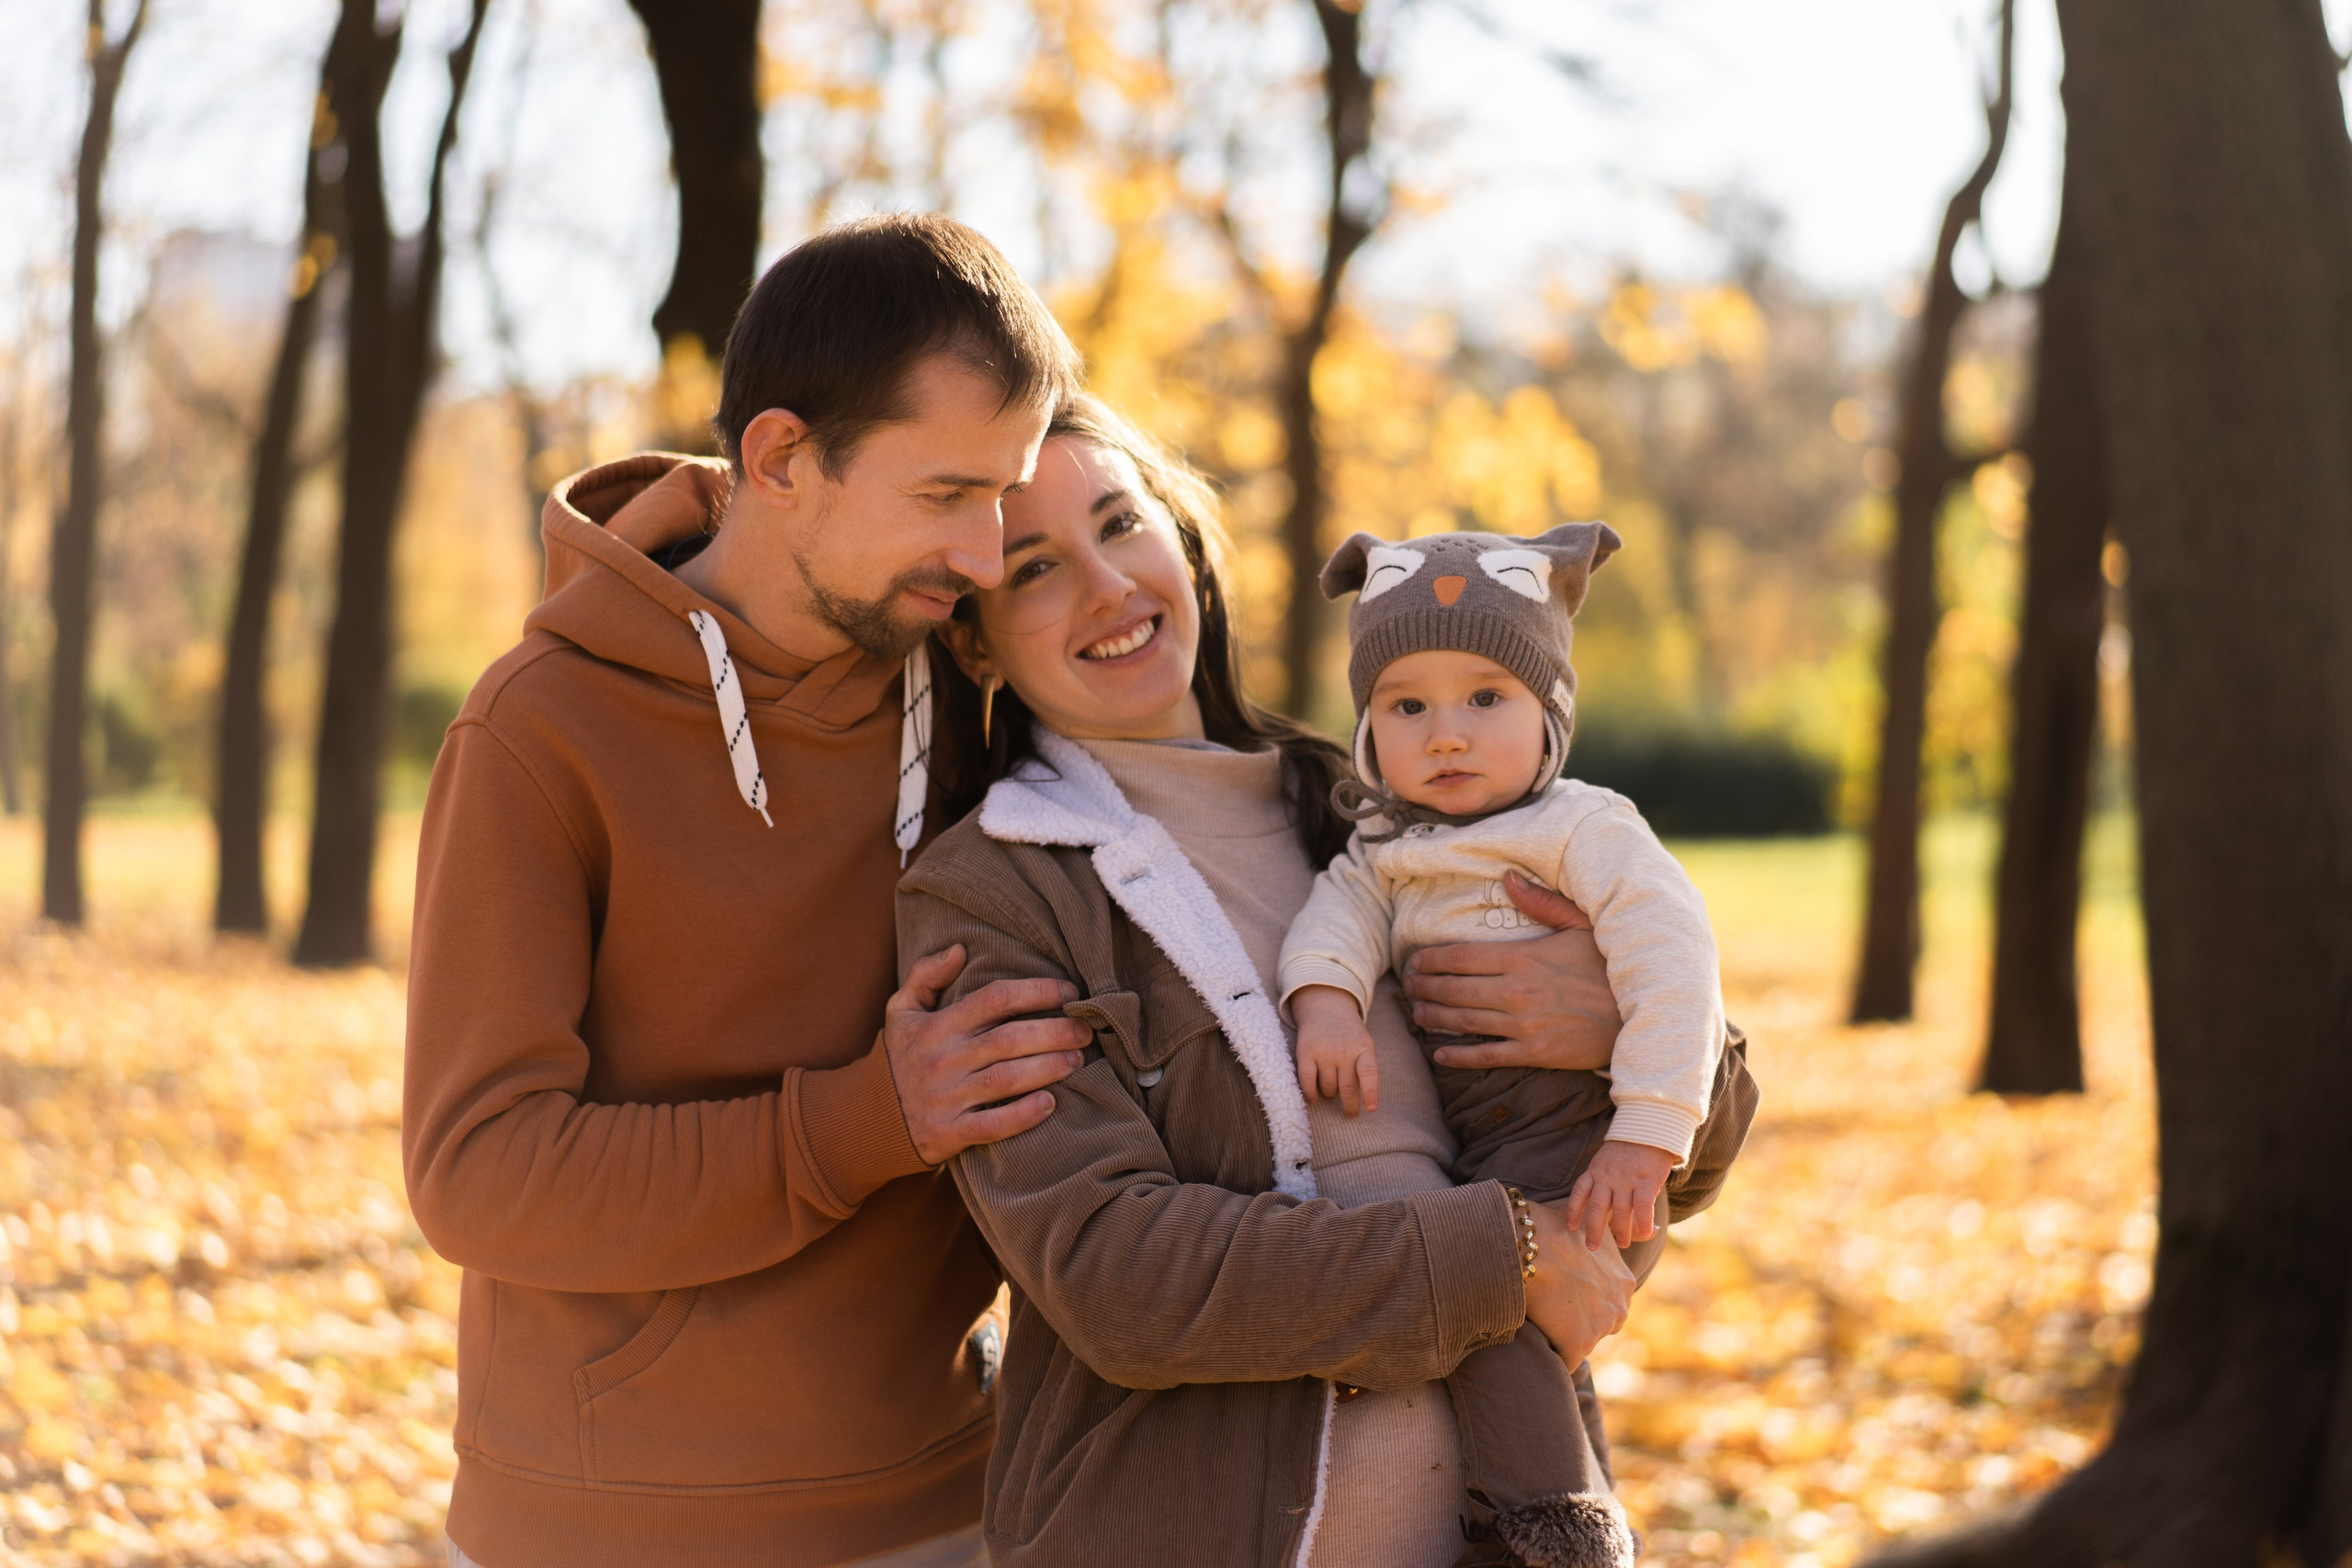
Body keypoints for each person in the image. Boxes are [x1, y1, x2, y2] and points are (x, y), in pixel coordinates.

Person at [897, 396, 1757, 1567]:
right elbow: (1115, 1276)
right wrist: (1495, 1258)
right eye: (1036, 566)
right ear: (976, 640)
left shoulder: (1372, 806)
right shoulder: (996, 893)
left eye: (1120, 523)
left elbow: (1677, 1161)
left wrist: (1623, 1035)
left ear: (1185, 542)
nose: (1107, 589)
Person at [402, 215, 1102, 1568]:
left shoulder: (975, 691)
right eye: (947, 493)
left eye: (1005, 495)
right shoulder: (540, 734)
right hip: (612, 1523)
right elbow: (477, 1172)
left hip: (956, 1500)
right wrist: (863, 1120)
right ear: (782, 458)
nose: (982, 552)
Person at [1278, 525, 1730, 1561]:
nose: (1446, 735)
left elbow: (1676, 967)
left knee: (1496, 1315)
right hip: (1482, 1144)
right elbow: (1330, 927)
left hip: (1586, 1137)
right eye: (1406, 706)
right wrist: (1328, 1005)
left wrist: (1645, 1135)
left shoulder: (1584, 829)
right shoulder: (1382, 848)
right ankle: (1521, 1506)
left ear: (1549, 714)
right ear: (1367, 730)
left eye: (1486, 698)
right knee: (1500, 1321)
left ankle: (1553, 1523)